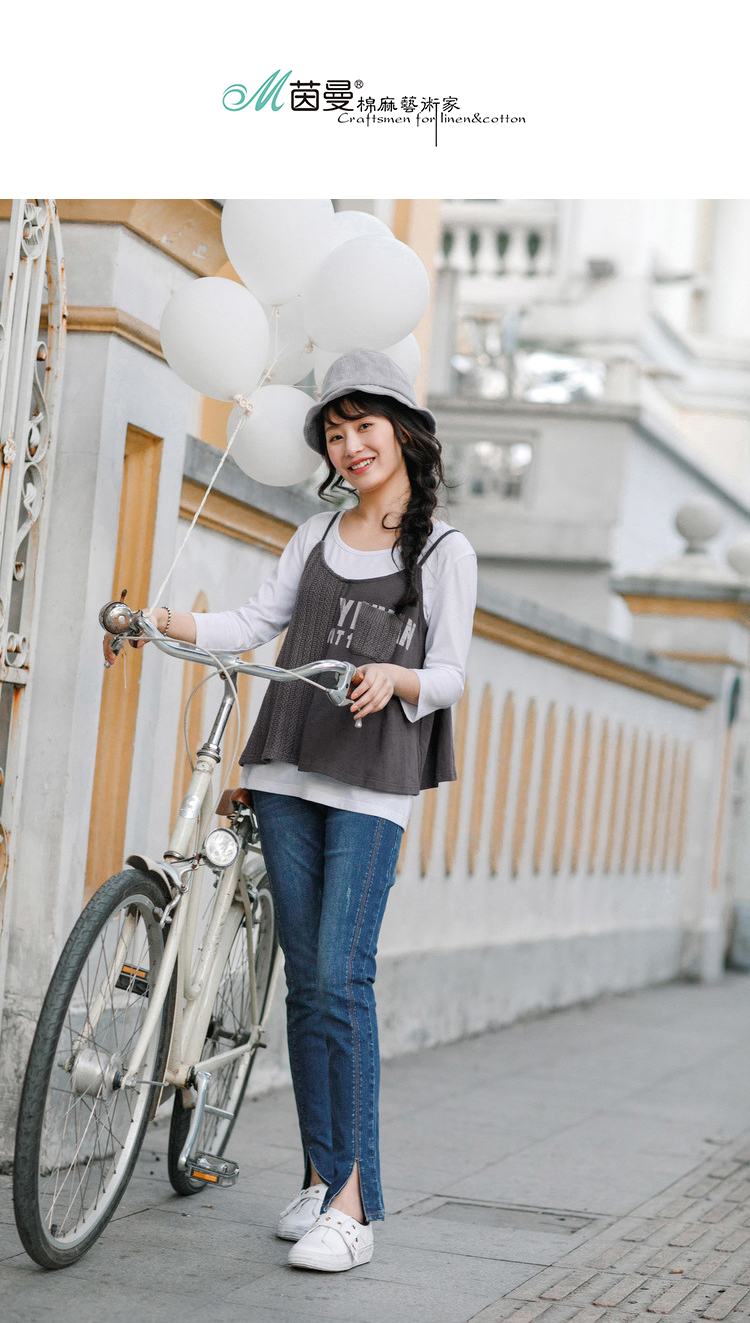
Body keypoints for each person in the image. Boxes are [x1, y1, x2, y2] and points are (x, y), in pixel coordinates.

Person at [104, 349, 477, 1272]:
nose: (350, 446)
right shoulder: (315, 535)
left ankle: (353, 1205)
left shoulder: (442, 550)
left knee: (342, 978)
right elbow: (252, 622)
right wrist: (162, 621)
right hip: (287, 772)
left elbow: (450, 674)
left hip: (370, 785)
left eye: (364, 427)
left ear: (403, 432)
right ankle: (319, 1177)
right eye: (336, 434)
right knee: (306, 982)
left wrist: (395, 677)